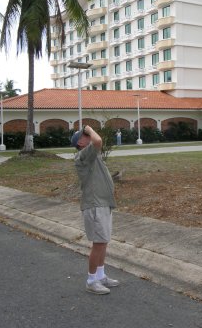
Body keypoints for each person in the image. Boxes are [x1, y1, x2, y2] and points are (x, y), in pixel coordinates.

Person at [71, 125, 119, 295]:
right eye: (84, 136)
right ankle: (91, 281)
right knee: (98, 243)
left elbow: (97, 143)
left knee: (103, 241)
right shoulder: (82, 156)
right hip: (95, 206)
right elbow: (98, 140)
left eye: (87, 134)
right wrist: (89, 128)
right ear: (80, 143)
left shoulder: (93, 155)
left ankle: (100, 275)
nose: (89, 136)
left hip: (103, 204)